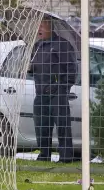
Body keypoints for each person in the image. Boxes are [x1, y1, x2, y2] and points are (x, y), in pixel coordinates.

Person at [30, 18, 77, 162]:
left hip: (57, 93)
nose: (39, 29)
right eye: (38, 26)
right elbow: (34, 67)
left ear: (50, 27)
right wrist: (30, 68)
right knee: (41, 125)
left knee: (62, 125)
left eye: (42, 26)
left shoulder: (62, 45)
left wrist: (62, 87)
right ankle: (44, 154)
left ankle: (65, 156)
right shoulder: (37, 46)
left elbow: (71, 70)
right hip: (40, 92)